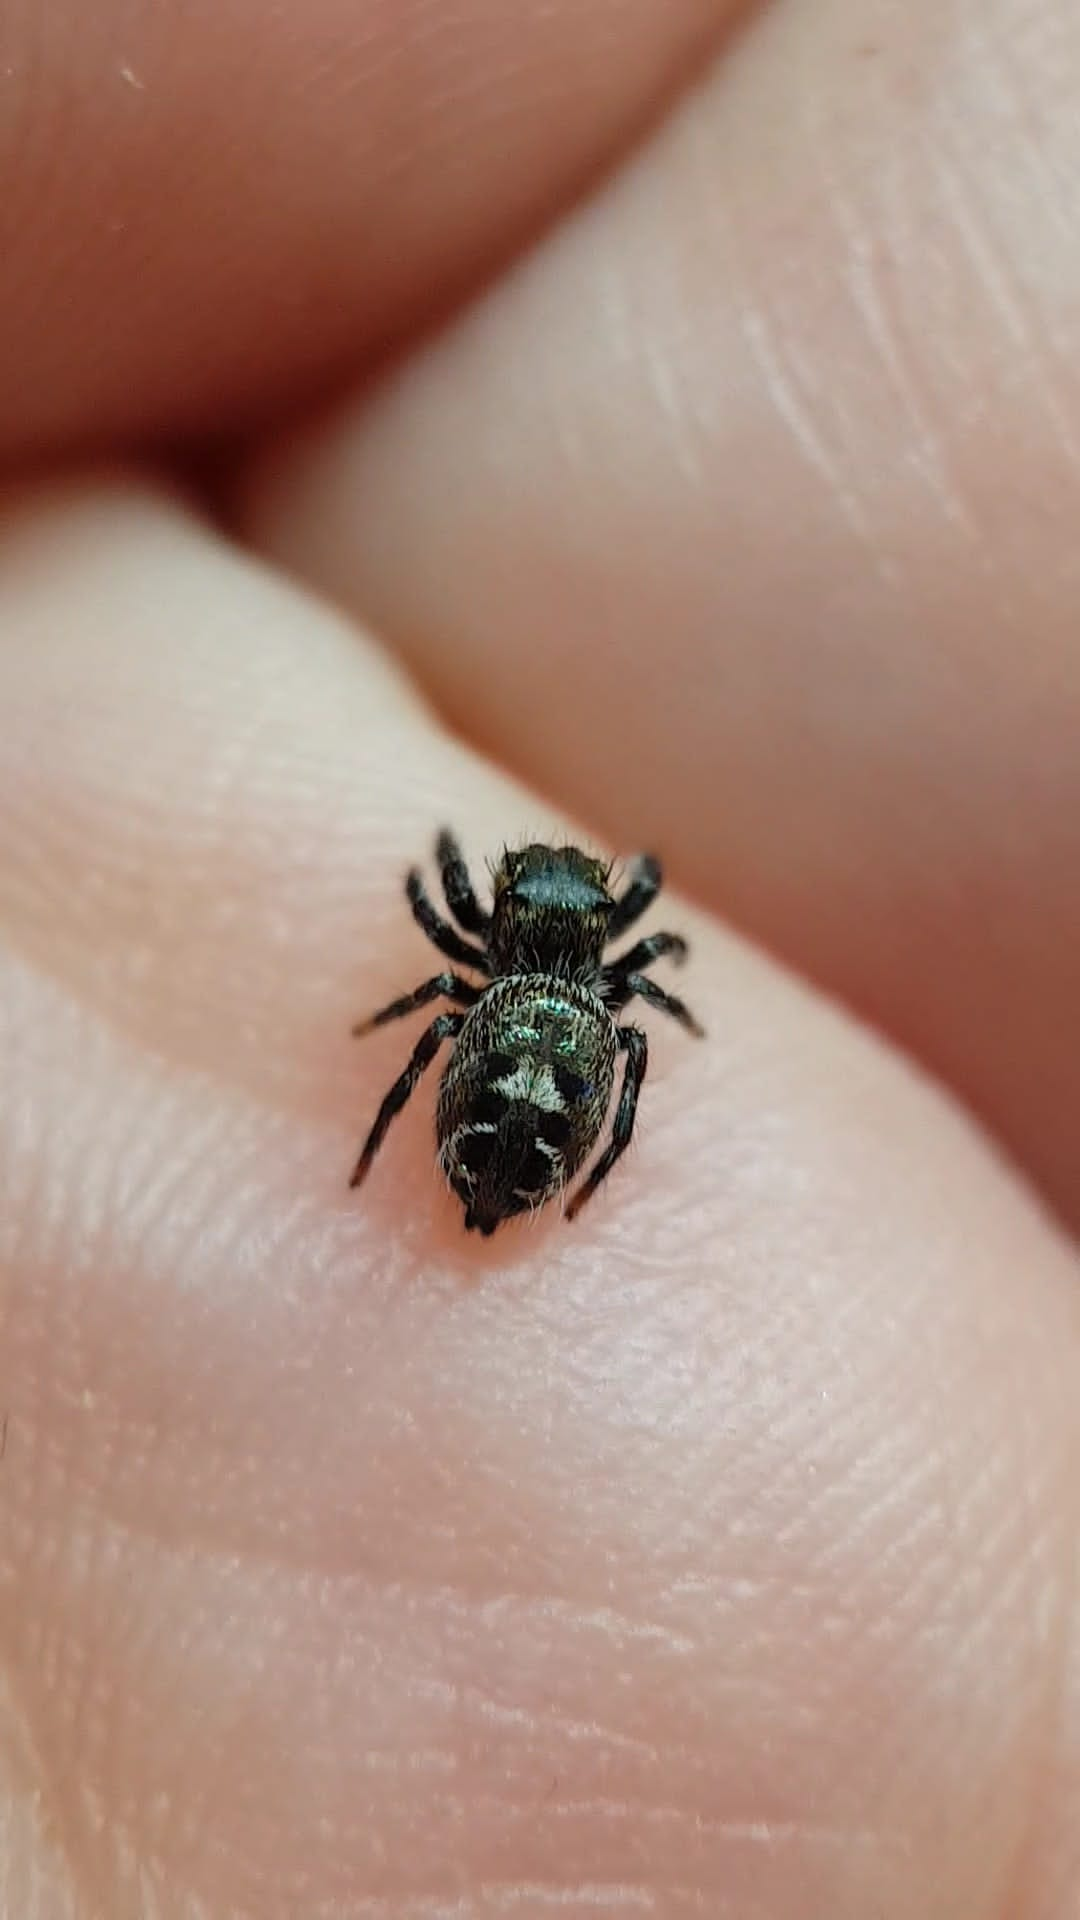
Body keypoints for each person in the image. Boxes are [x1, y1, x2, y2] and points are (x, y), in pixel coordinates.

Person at [1, 0, 1077, 1912]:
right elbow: (591, 1009)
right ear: (575, 947)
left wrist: (533, 1125)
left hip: (526, 1081)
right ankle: (512, 1177)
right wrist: (571, 1133)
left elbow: (463, 967)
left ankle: (504, 1176)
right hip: (538, 1085)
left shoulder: (509, 975)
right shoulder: (592, 988)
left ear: (534, 943)